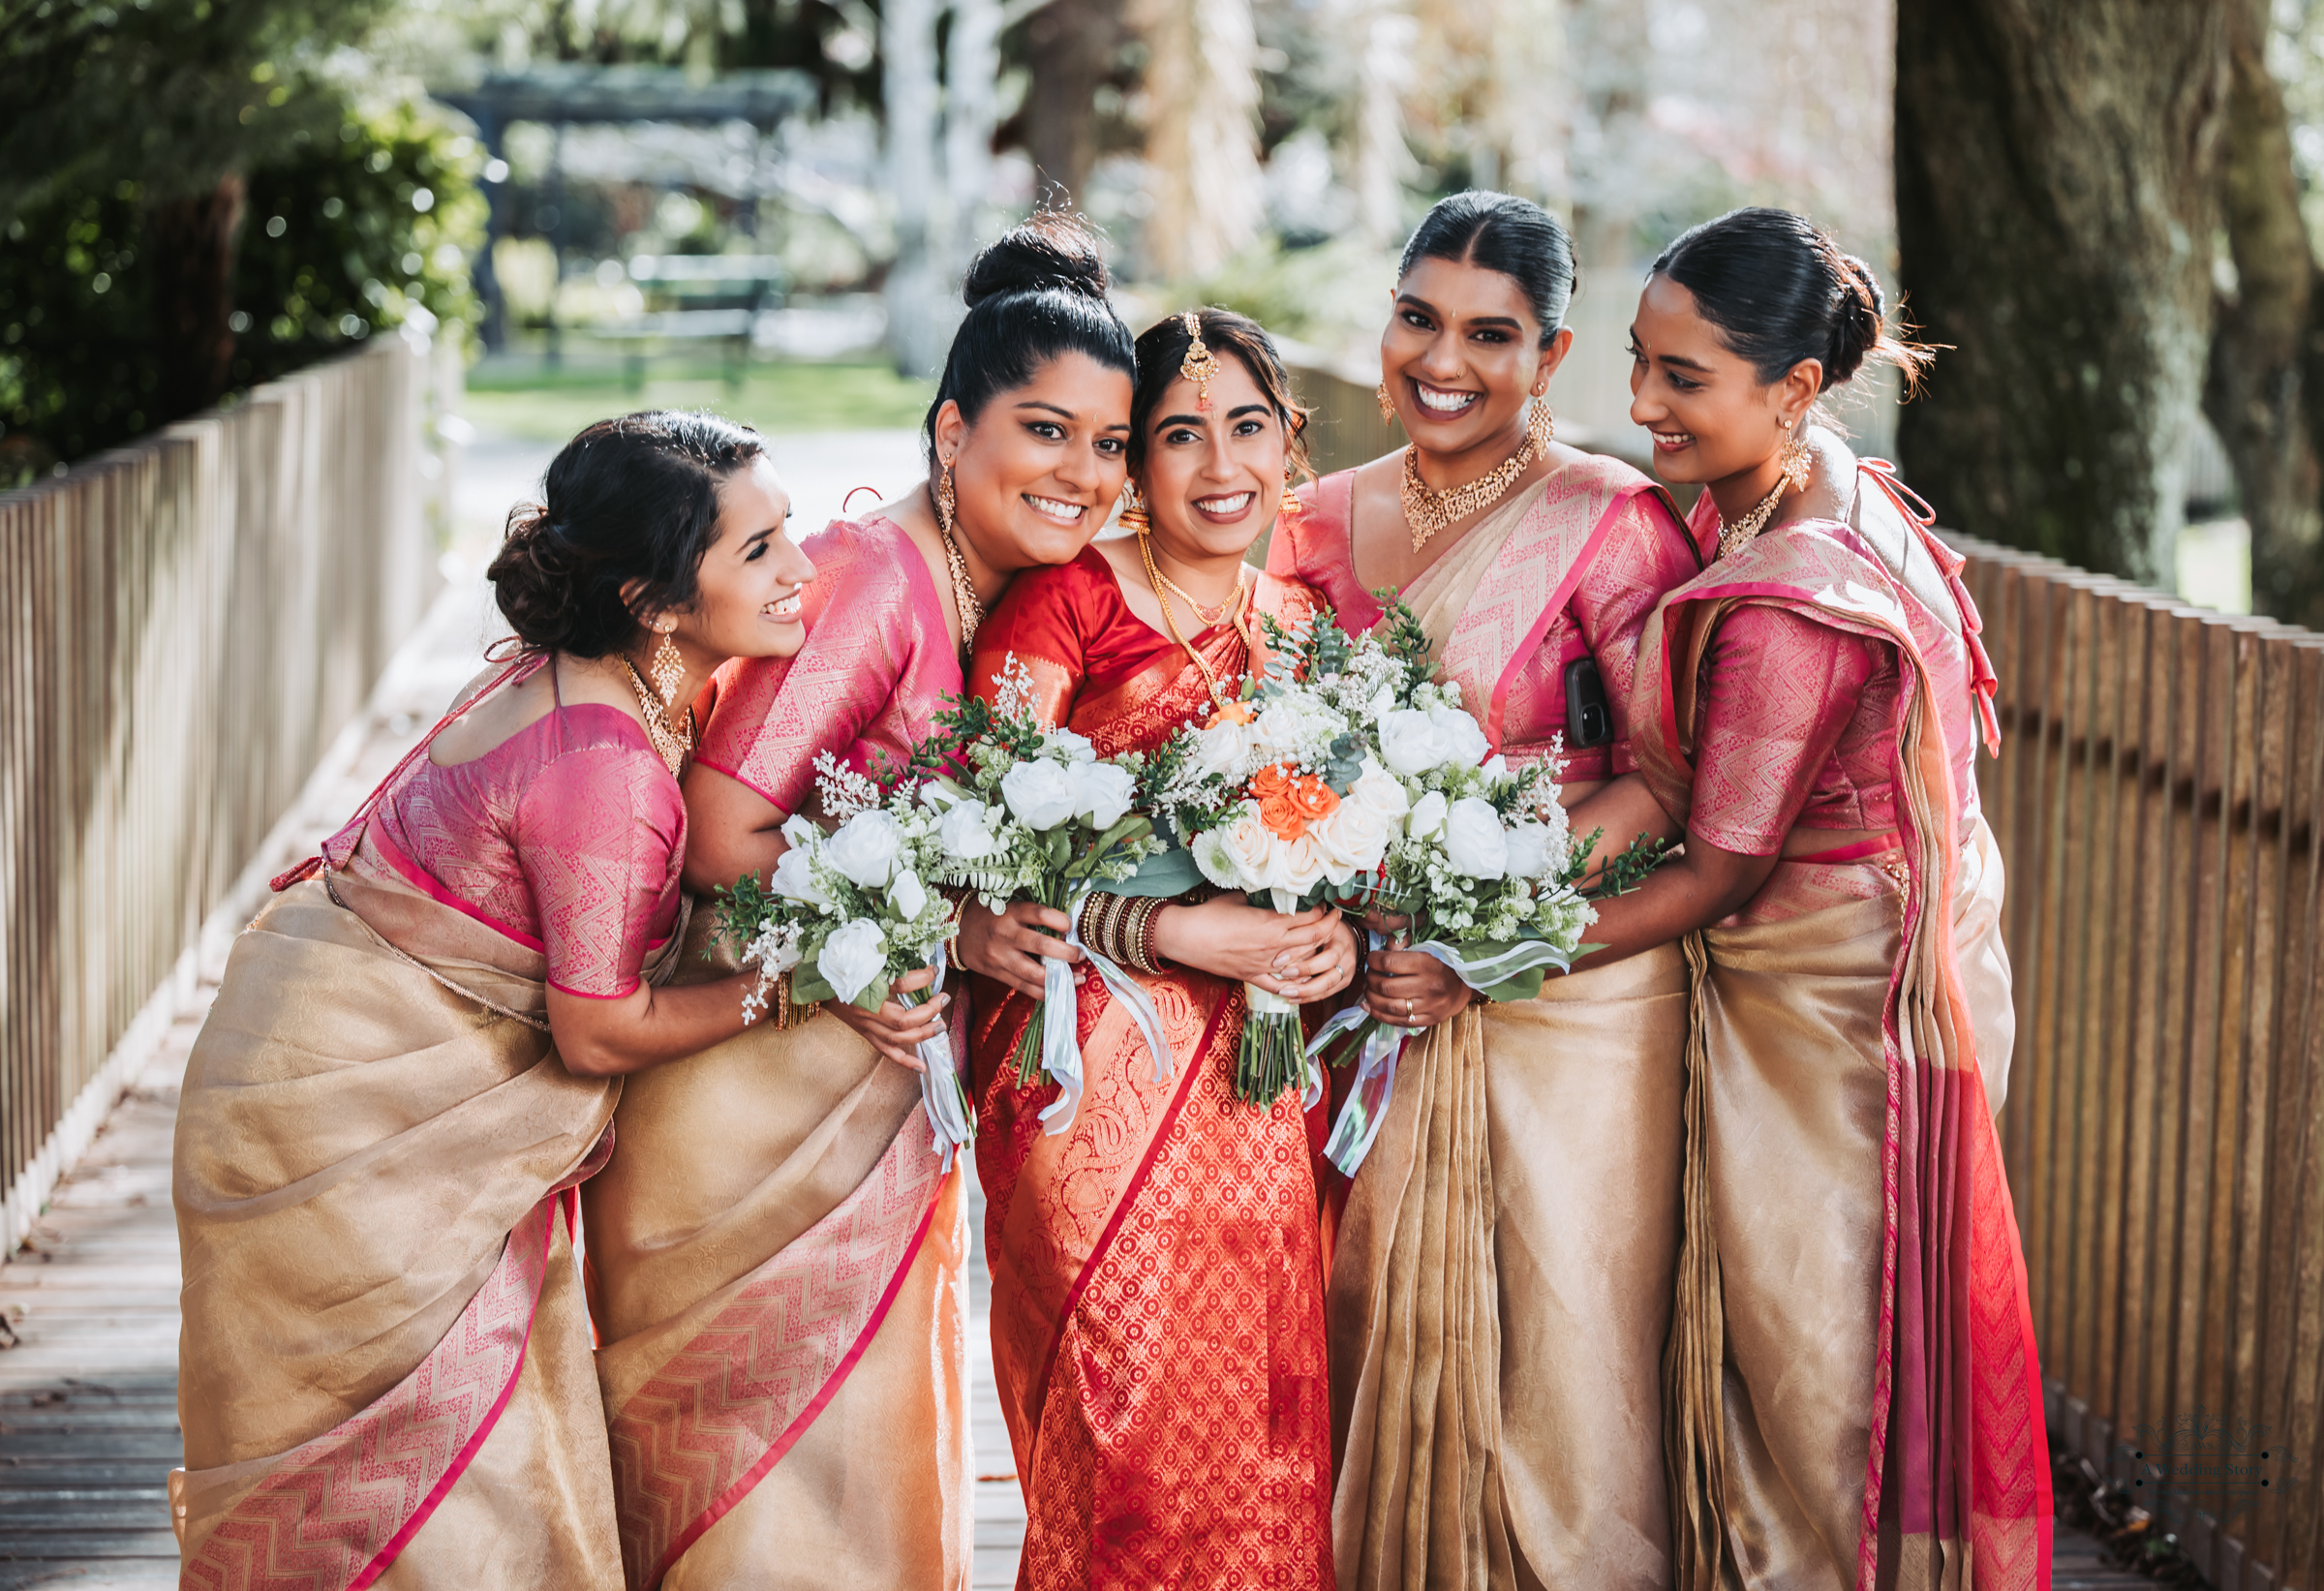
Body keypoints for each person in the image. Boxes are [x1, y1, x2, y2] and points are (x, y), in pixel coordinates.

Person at [579, 214, 1138, 1591]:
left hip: (866, 1073)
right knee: (766, 1497)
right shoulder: (874, 578)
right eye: (1046, 430)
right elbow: (724, 832)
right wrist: (947, 929)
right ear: (952, 429)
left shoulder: (1007, 590)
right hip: (749, 1097)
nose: (1083, 473)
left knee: (857, 1473)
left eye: (1112, 442)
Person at [170, 412, 812, 1588]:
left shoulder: (582, 672)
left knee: (445, 1461)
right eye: (760, 549)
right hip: (340, 1125)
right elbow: (600, 1028)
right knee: (429, 1483)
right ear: (655, 600)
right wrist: (789, 989)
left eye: (790, 532)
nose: (802, 569)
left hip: (312, 1063)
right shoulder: (606, 765)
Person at [1602, 206, 2048, 1589]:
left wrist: (1490, 953)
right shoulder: (1828, 482)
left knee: (1822, 1357)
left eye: (1683, 377)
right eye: (1639, 361)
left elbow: (1720, 866)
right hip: (1922, 955)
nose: (1643, 402)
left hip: (1841, 1017)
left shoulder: (1794, 595)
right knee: (1863, 1337)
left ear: (1794, 386)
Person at [1268, 190, 1703, 1587]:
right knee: (1362, 1311)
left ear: (1551, 354)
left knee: (1561, 1337)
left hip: (1563, 998)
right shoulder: (1305, 521)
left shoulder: (1613, 523)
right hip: (1358, 996)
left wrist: (1483, 929)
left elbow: (1665, 782)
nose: (1442, 360)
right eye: (1418, 318)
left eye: (1490, 335)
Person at [957, 308, 1357, 1588]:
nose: (1220, 465)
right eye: (1180, 434)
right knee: (1119, 1407)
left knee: (1260, 1417)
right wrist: (1173, 926)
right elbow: (984, 851)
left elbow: (1342, 840)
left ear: (1292, 441)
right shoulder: (1063, 605)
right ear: (1134, 461)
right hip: (1088, 1071)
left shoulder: (1308, 624)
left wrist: (1337, 940)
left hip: (1261, 1089)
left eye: (1247, 426)